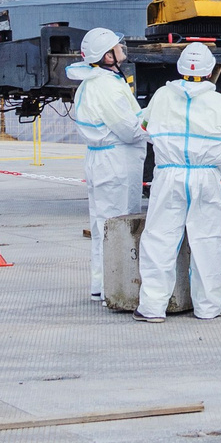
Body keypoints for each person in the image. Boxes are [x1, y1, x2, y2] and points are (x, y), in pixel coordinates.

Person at [136, 42, 221, 322]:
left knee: (160, 239)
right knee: (207, 241)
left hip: (169, 174)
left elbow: (144, 128)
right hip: (205, 176)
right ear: (209, 71)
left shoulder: (161, 95)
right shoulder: (219, 102)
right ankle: (208, 308)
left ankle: (152, 307)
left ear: (181, 68)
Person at [71, 28, 149, 302]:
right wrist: (152, 124)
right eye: (117, 46)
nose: (122, 49)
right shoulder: (105, 86)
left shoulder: (96, 82)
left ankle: (101, 284)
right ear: (107, 56)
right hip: (115, 161)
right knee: (117, 224)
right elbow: (130, 129)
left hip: (105, 159)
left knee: (102, 223)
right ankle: (112, 287)